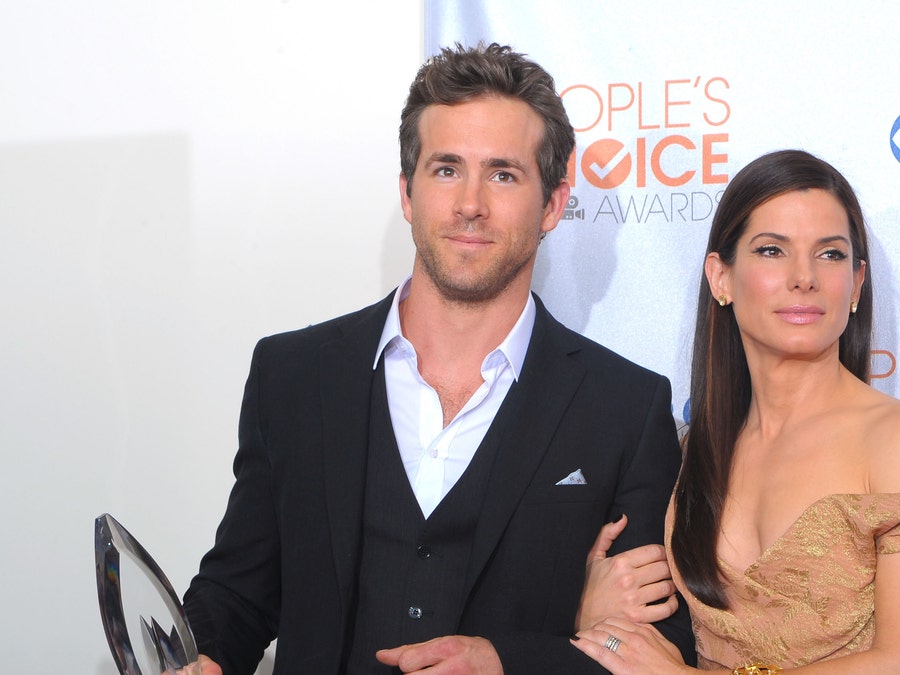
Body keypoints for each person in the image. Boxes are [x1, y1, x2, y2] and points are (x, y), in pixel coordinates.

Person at [181, 42, 694, 675]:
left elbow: (659, 651)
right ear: (407, 191)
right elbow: (238, 589)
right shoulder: (294, 375)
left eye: (503, 174)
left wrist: (509, 661)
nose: (470, 204)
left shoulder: (624, 407)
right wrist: (202, 656)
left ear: (555, 205)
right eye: (446, 169)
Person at [572, 149, 900, 673]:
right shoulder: (693, 451)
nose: (804, 277)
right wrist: (591, 606)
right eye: (772, 250)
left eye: (830, 254)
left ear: (857, 284)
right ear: (721, 278)